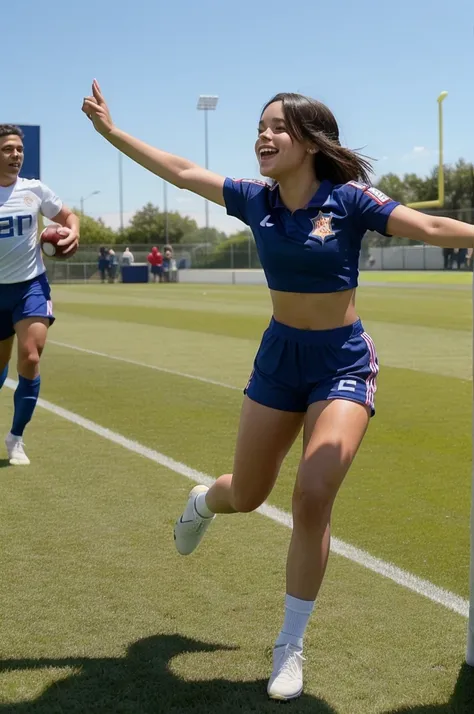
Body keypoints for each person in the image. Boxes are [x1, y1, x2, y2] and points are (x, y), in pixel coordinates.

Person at [82, 81, 474, 701]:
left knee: (313, 494)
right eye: (260, 126)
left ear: (312, 141)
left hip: (342, 362)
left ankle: (289, 645)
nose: (263, 136)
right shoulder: (255, 199)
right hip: (278, 361)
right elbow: (182, 171)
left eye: (278, 128)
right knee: (248, 492)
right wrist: (112, 133)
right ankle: (205, 502)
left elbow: (425, 224)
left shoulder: (348, 200)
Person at [0, 124, 79, 465]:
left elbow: (68, 215)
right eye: (7, 149)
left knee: (30, 357)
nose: (15, 154)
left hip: (30, 286)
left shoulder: (34, 191)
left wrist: (72, 232)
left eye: (18, 149)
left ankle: (16, 438)